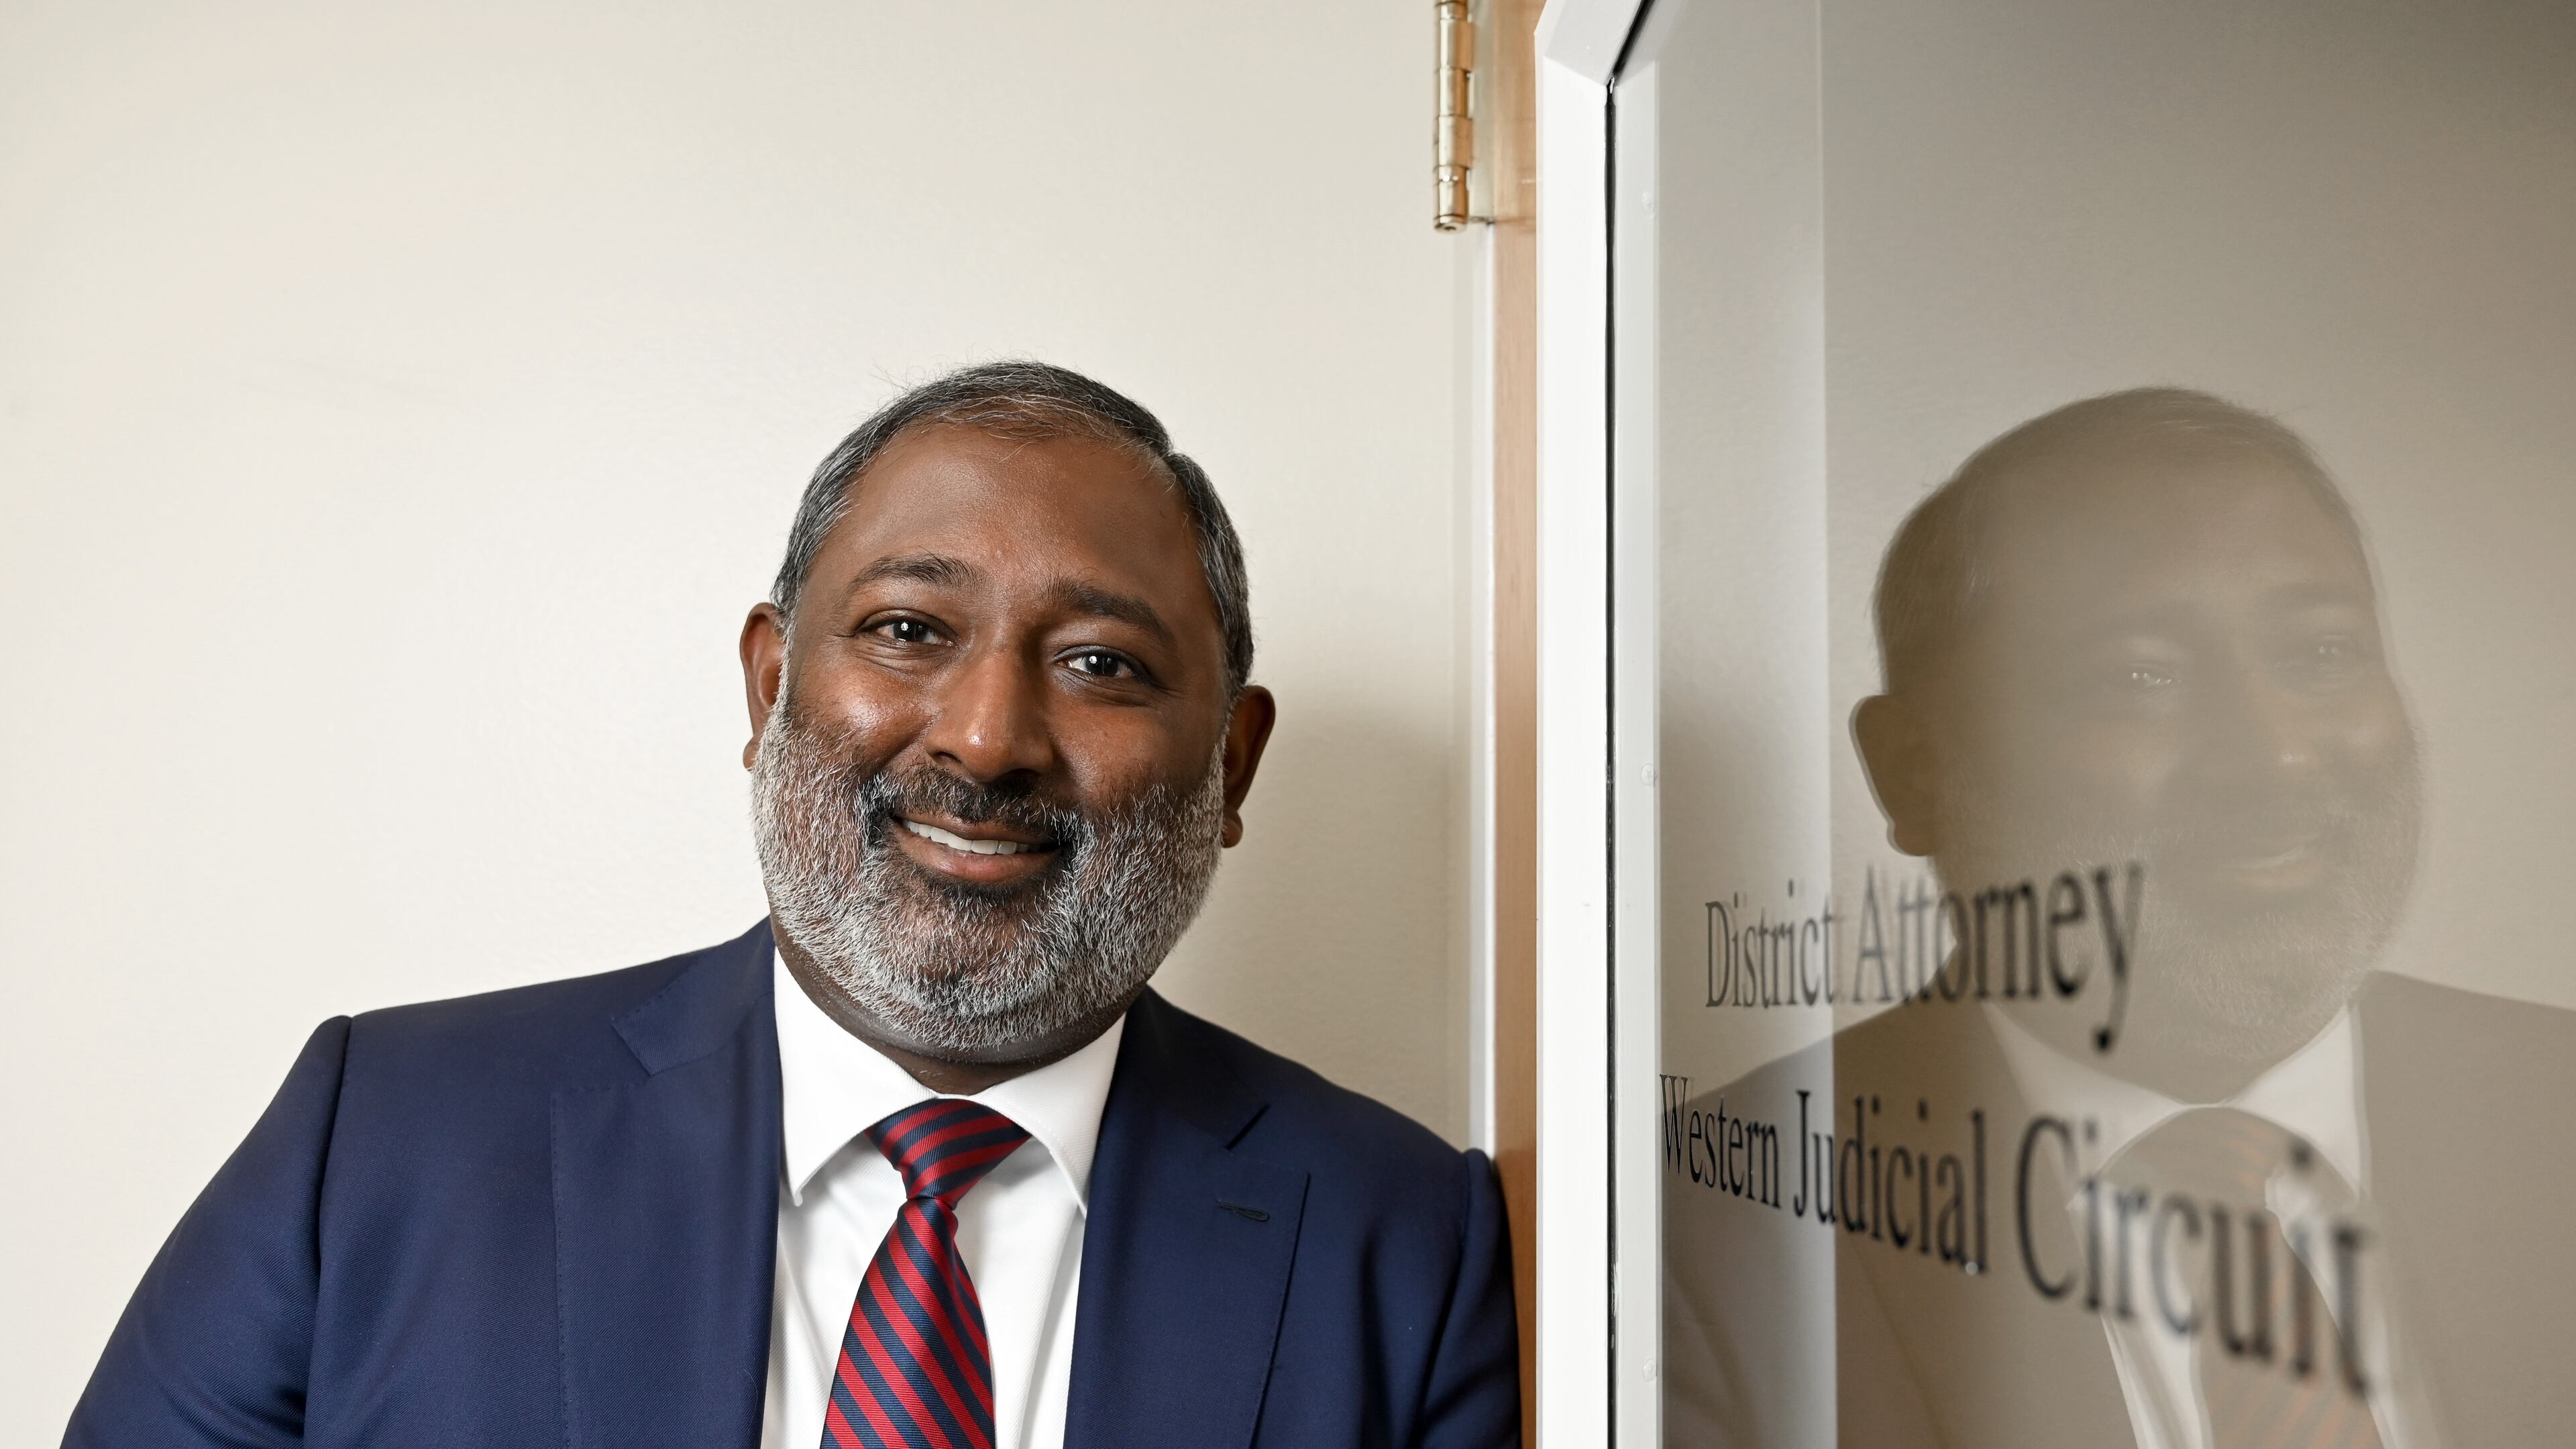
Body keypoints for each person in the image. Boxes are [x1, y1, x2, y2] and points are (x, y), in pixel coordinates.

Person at [64, 362, 1521, 1449]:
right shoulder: (381, 1135)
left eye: (1099, 664)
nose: (985, 736)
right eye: (907, 630)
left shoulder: (1406, 1242)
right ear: (770, 687)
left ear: (1232, 764)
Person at [1664, 388, 2576, 1446]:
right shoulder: (1699, 1236)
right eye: (2138, 678)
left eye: (2322, 656)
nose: (2272, 753)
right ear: (1915, 772)